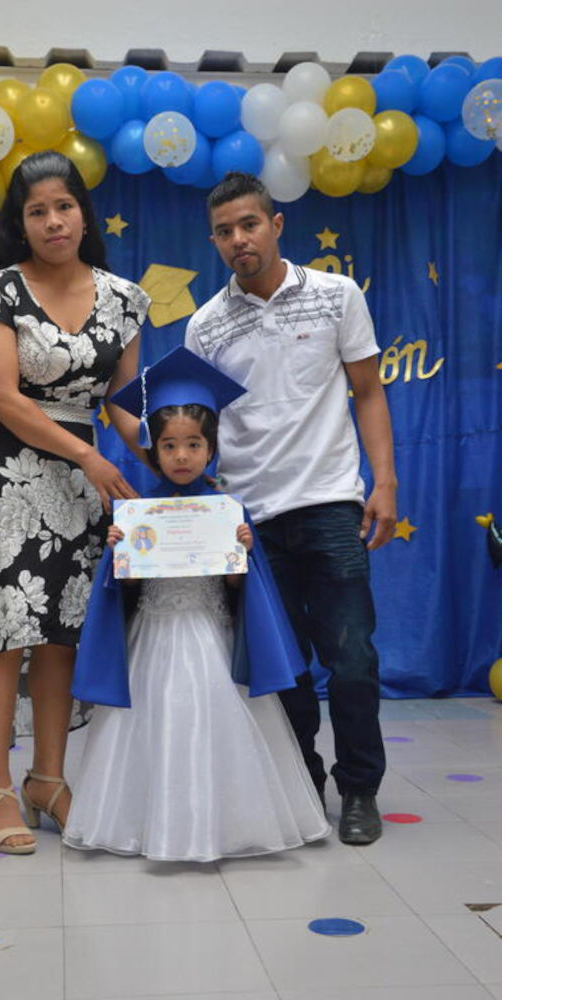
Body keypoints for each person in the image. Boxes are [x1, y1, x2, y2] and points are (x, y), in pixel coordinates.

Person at [0, 151, 150, 855]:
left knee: (62, 632)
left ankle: (48, 779)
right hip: (1, 473)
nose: (53, 221)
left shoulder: (125, 299)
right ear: (20, 224)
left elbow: (122, 406)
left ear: (83, 213)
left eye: (63, 206)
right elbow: (2, 396)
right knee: (3, 630)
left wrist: (172, 454)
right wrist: (88, 456)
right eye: (37, 211)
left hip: (78, 486)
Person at [183, 172, 399, 845]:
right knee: (283, 669)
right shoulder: (204, 325)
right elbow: (198, 423)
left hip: (331, 502)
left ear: (276, 225)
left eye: (249, 224)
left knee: (352, 659)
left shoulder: (337, 295)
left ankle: (360, 789)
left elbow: (368, 392)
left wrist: (385, 483)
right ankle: (302, 784)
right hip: (249, 520)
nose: (238, 240)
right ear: (214, 241)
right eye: (224, 231)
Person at [64, 347, 331, 861]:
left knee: (218, 730)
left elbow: (237, 591)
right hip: (154, 636)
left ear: (211, 448)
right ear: (153, 448)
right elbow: (127, 592)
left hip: (212, 636)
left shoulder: (228, 512)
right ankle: (152, 826)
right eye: (169, 445)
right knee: (155, 730)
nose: (182, 456)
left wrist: (241, 558)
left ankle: (224, 825)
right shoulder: (138, 512)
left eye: (193, 444)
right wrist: (119, 552)